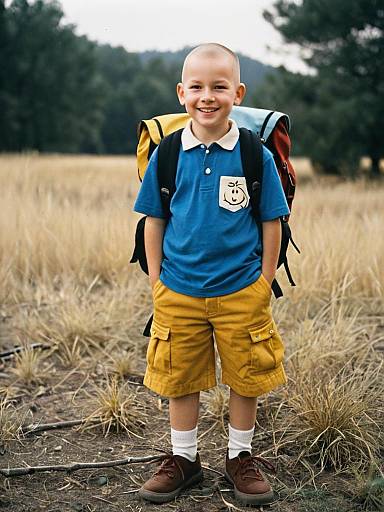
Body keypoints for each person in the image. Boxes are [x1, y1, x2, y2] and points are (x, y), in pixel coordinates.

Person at [133, 43, 290, 506]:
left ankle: (239, 457)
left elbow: (270, 220)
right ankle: (185, 460)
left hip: (242, 289)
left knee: (246, 376)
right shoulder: (167, 154)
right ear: (181, 93)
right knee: (180, 378)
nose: (207, 96)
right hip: (177, 290)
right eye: (197, 86)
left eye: (219, 86)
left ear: (237, 93)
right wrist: (156, 282)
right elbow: (154, 220)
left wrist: (263, 282)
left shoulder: (251, 154)